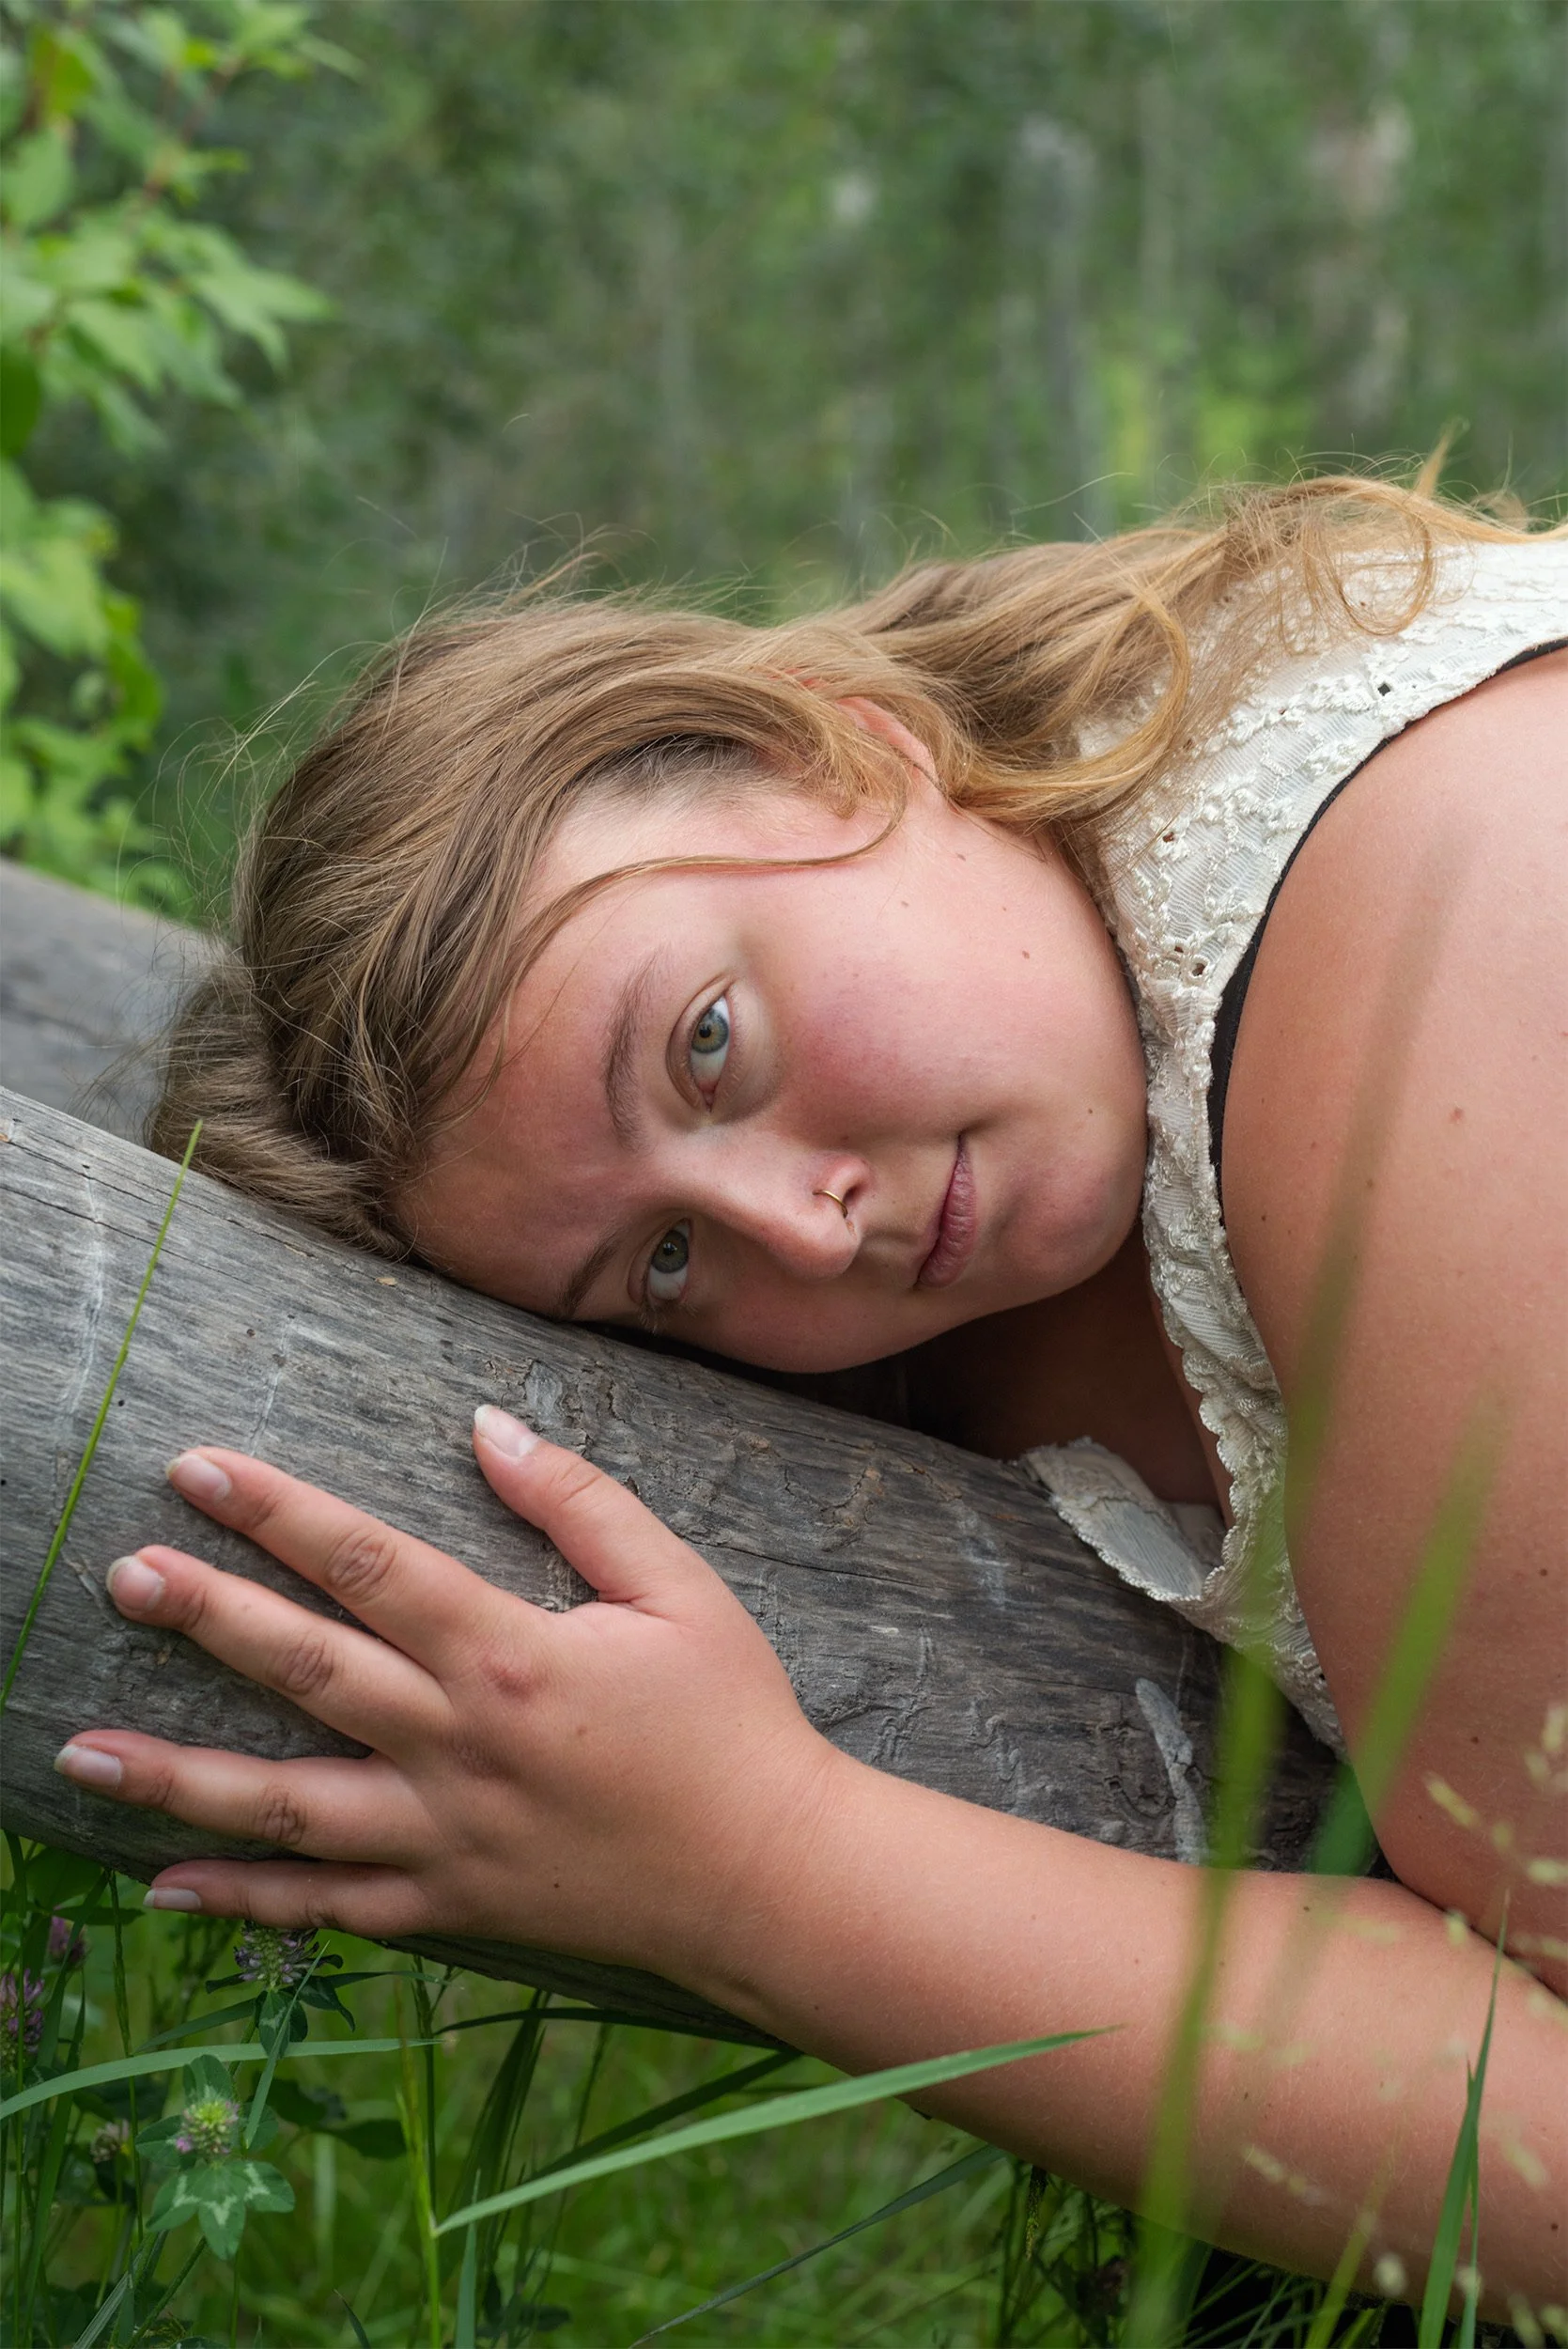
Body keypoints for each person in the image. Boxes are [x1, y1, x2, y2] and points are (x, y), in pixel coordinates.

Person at [52, 477, 1566, 2315]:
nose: (799, 1224)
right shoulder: (1035, 1200)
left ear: (842, 748)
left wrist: (756, 1867)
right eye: (667, 1270)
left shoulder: (1424, 924)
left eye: (707, 1042)